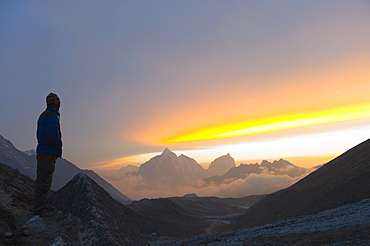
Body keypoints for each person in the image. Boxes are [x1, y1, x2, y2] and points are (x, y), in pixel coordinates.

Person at [33, 92, 62, 217]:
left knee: (42, 180)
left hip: (42, 152)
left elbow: (39, 134)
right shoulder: (52, 117)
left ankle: (41, 206)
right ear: (56, 104)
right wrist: (58, 146)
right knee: (44, 182)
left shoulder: (43, 116)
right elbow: (52, 135)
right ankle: (40, 210)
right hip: (48, 154)